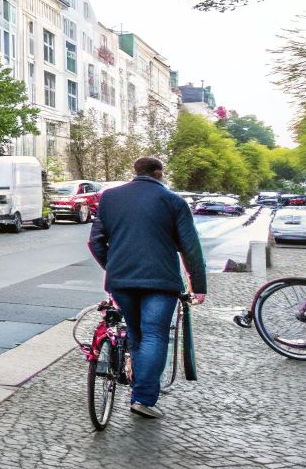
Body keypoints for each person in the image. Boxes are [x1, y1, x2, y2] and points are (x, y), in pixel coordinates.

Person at [87, 156, 207, 420]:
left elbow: (96, 242)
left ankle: (139, 390)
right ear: (159, 173)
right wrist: (198, 285)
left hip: (121, 281)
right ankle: (143, 398)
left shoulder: (110, 198)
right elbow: (190, 247)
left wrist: (114, 267)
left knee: (137, 334)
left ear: (136, 171)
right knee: (154, 335)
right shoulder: (174, 201)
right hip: (161, 281)